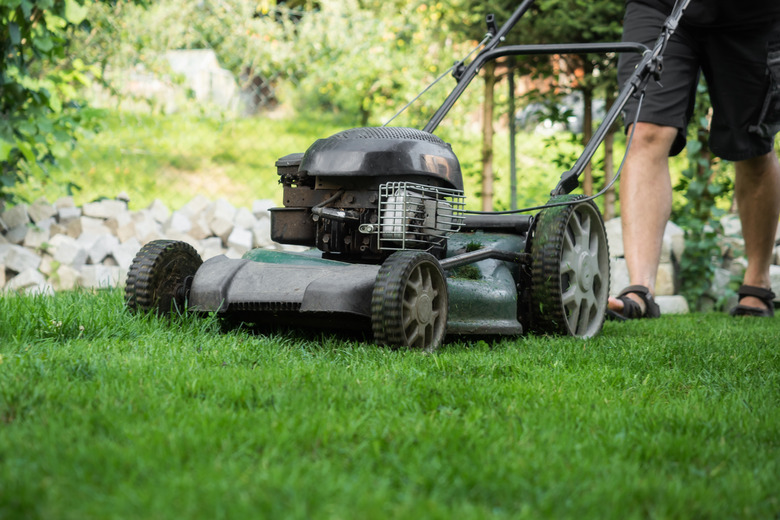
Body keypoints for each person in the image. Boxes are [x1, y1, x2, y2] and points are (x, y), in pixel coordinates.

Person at [607, 0, 780, 319]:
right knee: (645, 129)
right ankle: (640, 289)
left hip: (753, 17)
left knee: (752, 144)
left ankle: (757, 283)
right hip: (660, 6)